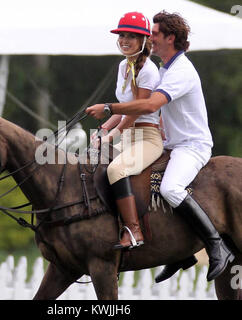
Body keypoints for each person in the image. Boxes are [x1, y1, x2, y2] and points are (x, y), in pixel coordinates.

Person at [86, 11, 234, 281]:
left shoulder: (181, 71)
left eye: (153, 34)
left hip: (191, 145)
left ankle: (216, 246)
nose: (149, 38)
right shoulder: (164, 68)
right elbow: (139, 103)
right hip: (170, 143)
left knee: (170, 188)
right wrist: (108, 127)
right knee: (143, 184)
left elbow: (150, 105)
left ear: (171, 37)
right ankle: (182, 253)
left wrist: (108, 109)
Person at [91, 12, 163, 250]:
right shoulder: (123, 66)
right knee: (90, 163)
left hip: (148, 138)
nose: (125, 40)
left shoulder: (149, 70)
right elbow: (121, 109)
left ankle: (134, 230)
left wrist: (113, 135)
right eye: (122, 35)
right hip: (128, 136)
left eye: (132, 36)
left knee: (117, 169)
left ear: (143, 41)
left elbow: (136, 111)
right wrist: (102, 129)